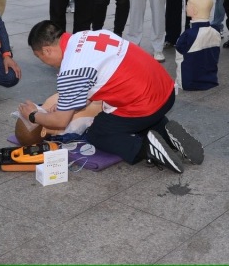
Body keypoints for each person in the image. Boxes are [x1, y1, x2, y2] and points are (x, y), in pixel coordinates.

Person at [18, 21, 204, 173]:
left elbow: (60, 122)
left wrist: (33, 115)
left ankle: (147, 149)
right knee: (124, 115)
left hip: (145, 105)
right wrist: (67, 104)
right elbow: (95, 83)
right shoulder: (87, 36)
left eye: (40, 57)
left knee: (99, 132)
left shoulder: (71, 69)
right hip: (166, 91)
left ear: (47, 50)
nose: (45, 63)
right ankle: (164, 131)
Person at [175, 0, 221, 91]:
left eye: (188, 4)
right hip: (211, 80)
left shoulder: (188, 35)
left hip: (188, 83)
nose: (186, 6)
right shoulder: (216, 31)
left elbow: (179, 51)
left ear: (194, 10)